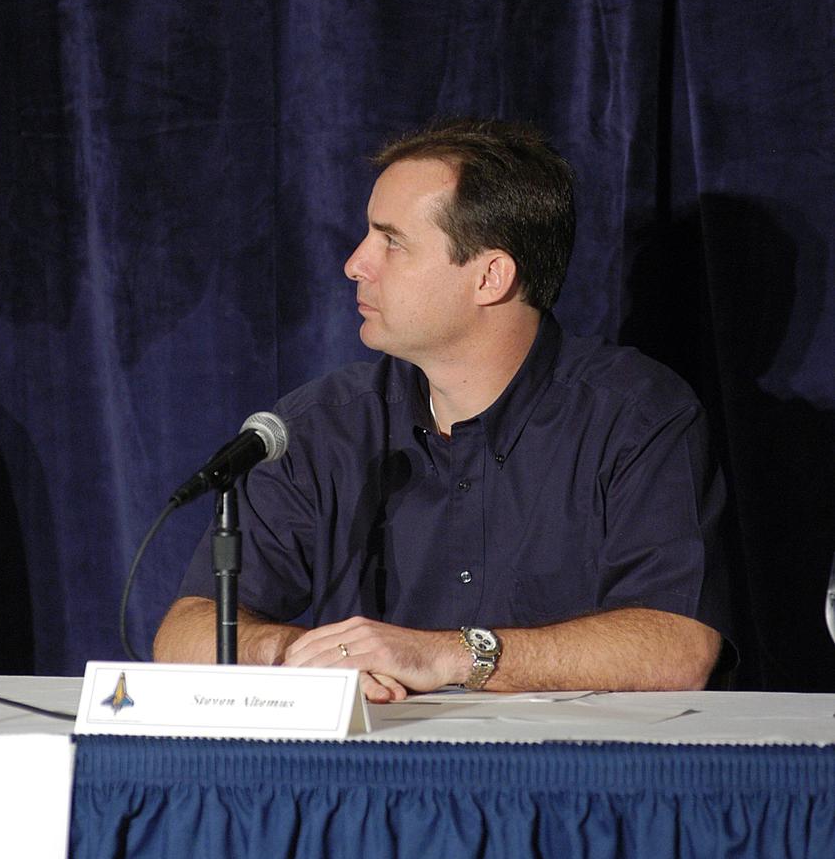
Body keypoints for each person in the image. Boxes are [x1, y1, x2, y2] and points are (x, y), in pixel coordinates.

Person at [154, 117, 733, 700]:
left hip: (576, 779)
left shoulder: (635, 417)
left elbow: (678, 649)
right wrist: (299, 655)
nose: (356, 264)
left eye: (392, 241)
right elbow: (185, 634)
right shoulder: (320, 426)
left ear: (489, 277)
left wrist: (445, 655)